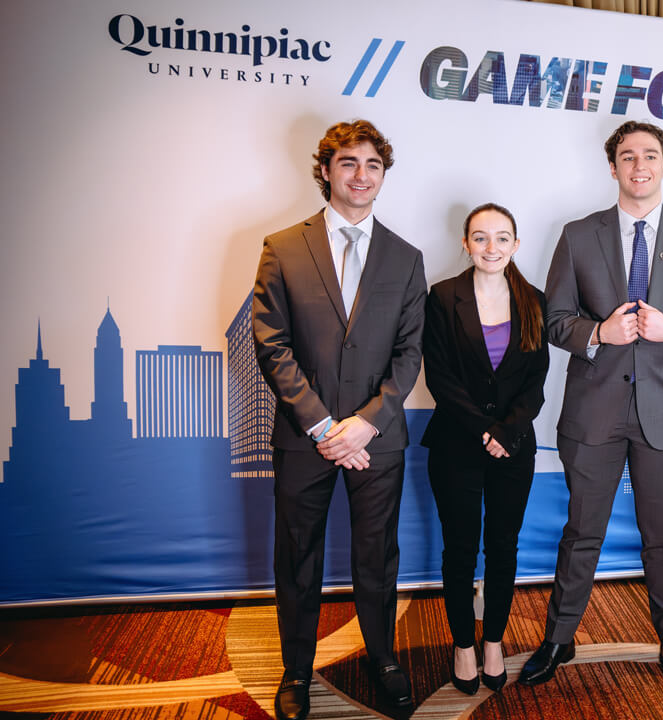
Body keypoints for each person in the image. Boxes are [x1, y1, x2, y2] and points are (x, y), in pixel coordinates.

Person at [517, 120, 663, 700]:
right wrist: (599, 333)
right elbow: (555, 321)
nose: (640, 165)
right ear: (611, 168)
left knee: (661, 535)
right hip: (594, 412)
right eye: (628, 156)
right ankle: (559, 639)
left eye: (651, 156)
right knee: (581, 530)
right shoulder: (578, 235)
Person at [252, 119, 425, 720]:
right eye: (349, 163)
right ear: (325, 170)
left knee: (377, 557)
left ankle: (382, 660)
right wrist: (325, 428)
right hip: (307, 439)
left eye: (373, 165)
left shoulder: (406, 258)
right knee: (298, 555)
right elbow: (271, 345)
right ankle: (296, 670)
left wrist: (368, 424)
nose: (361, 175)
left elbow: (409, 352)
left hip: (378, 440)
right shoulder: (282, 247)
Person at [420, 203, 550, 695]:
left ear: (516, 245)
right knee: (459, 550)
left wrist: (507, 432)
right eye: (480, 238)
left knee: (502, 546)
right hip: (456, 443)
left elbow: (536, 382)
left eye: (501, 238)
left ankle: (492, 638)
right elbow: (439, 377)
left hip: (514, 448)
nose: (490, 248)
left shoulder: (535, 299)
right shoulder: (442, 297)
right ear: (465, 243)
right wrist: (483, 430)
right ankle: (463, 644)